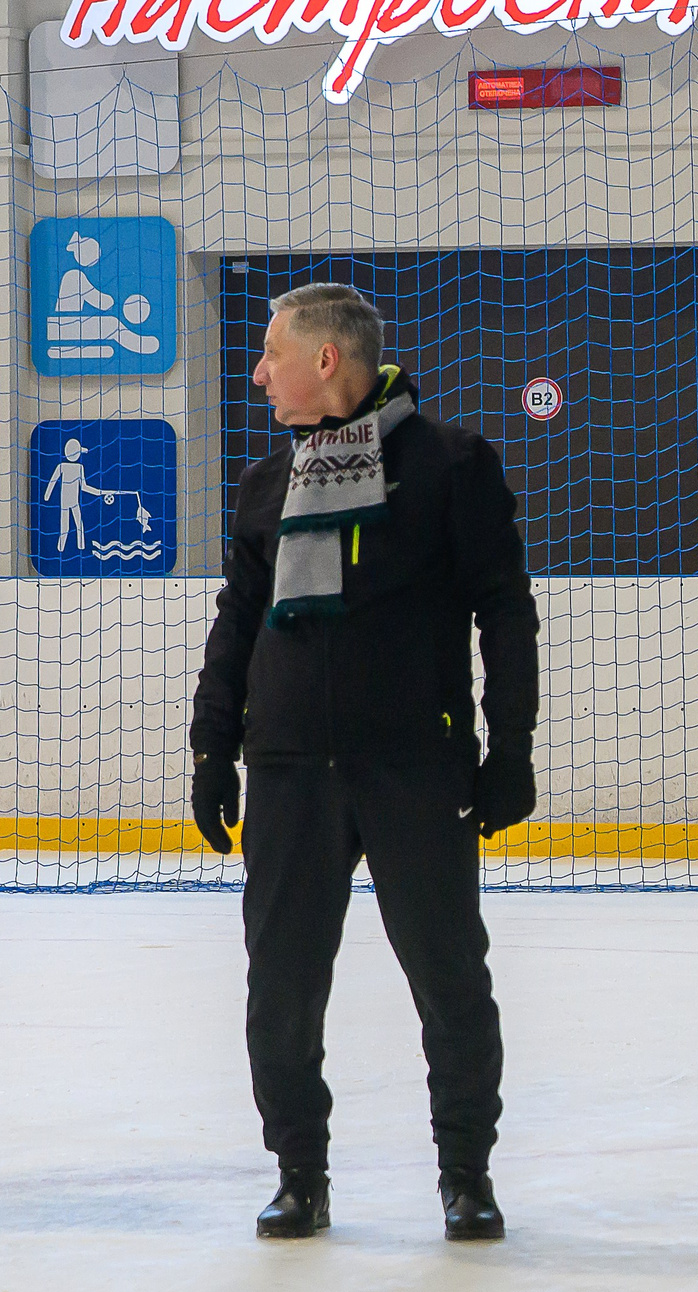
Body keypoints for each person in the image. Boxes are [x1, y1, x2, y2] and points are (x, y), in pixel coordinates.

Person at [189, 283, 539, 1242]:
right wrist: (213, 745)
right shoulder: (269, 482)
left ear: (327, 360)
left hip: (415, 766)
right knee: (283, 984)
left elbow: (504, 609)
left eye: (271, 353)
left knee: (449, 977)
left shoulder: (449, 466)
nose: (259, 371)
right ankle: (299, 1170)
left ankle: (466, 1172)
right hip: (292, 769)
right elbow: (239, 621)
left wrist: (511, 745)